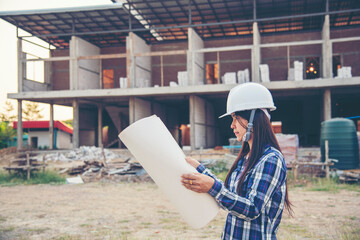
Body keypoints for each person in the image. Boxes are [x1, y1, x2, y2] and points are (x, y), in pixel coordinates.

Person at [181, 82, 292, 240]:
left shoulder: (271, 159)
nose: (232, 125)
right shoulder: (246, 157)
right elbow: (230, 195)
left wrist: (213, 186)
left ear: (254, 120)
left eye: (236, 118)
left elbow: (252, 209)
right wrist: (200, 169)